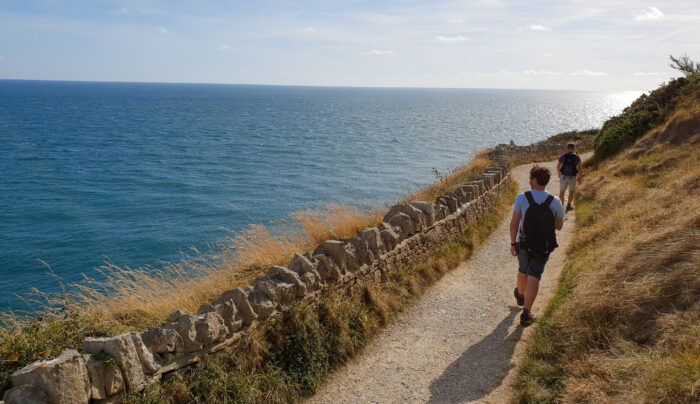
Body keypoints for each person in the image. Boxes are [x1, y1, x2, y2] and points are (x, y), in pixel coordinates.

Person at [510, 165, 565, 326]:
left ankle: (521, 295)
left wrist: (513, 242)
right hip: (544, 245)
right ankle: (526, 313)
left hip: (524, 242)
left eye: (530, 178)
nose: (529, 181)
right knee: (534, 275)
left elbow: (514, 223)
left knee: (522, 271)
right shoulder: (554, 201)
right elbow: (560, 226)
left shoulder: (522, 197)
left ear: (534, 180)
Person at [557, 142, 582, 212]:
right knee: (571, 192)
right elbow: (580, 168)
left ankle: (561, 206)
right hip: (573, 177)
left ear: (567, 148)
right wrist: (580, 178)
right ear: (574, 148)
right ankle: (568, 206)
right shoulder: (577, 156)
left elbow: (558, 166)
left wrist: (559, 173)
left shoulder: (563, 156)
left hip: (564, 176)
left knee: (562, 192)